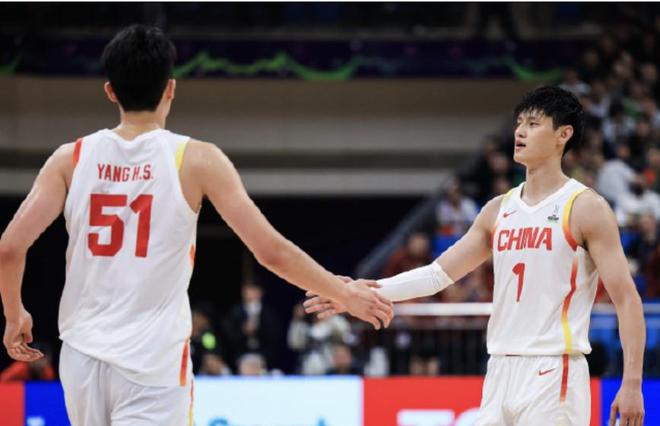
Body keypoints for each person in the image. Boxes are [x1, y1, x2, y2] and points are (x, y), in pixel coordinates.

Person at [0, 25, 393, 426]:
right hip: (152, 363)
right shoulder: (196, 159)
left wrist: (15, 315)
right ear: (171, 89)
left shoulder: (71, 158)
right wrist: (344, 293)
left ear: (110, 91)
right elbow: (270, 251)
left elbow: (10, 248)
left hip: (82, 357)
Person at [306, 86, 645, 426]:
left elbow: (627, 299)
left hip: (554, 369)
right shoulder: (498, 209)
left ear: (563, 134)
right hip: (499, 369)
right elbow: (437, 274)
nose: (520, 132)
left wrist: (632, 383)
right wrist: (356, 291)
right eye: (519, 123)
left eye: (533, 124)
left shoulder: (585, 207)